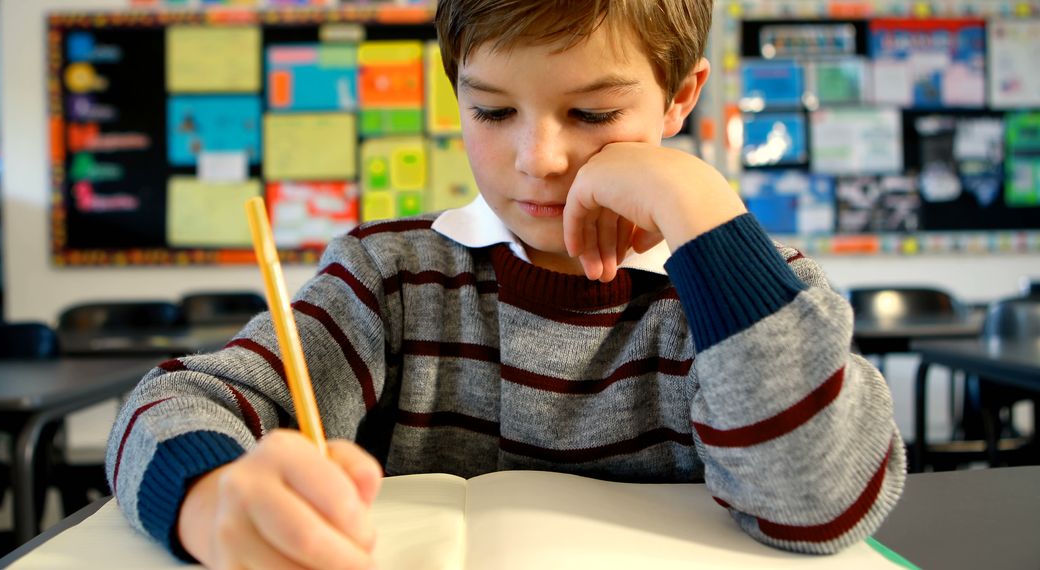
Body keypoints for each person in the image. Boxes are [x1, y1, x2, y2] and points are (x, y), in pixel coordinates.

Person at [106, 1, 906, 568]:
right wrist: (210, 498)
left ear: (680, 98)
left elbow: (818, 502)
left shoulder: (752, 296)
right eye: (491, 111)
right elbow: (171, 402)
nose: (538, 160)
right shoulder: (390, 278)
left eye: (591, 114)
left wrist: (697, 199)